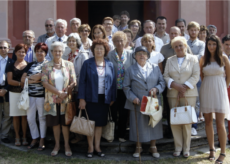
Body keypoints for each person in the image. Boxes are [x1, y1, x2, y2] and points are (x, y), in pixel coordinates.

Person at [123, 46, 165, 158]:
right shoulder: (130, 69)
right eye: (139, 53)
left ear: (147, 55)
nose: (142, 55)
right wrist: (132, 98)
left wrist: (156, 89)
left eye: (144, 53)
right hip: (138, 102)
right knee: (138, 125)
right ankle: (138, 147)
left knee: (153, 123)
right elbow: (126, 87)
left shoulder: (155, 68)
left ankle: (153, 146)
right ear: (135, 56)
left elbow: (162, 83)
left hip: (152, 100)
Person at [78, 39, 116, 158]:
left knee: (99, 124)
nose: (99, 50)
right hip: (90, 98)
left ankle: (97, 147)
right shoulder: (87, 63)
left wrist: (112, 98)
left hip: (104, 99)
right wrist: (81, 99)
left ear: (105, 50)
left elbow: (113, 82)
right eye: (96, 48)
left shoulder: (109, 64)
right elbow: (82, 82)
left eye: (101, 48)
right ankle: (90, 147)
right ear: (93, 50)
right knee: (90, 123)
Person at [163, 36, 200, 158]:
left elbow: (196, 75)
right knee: (175, 122)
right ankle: (178, 147)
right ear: (173, 48)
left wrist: (184, 87)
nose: (178, 48)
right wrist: (175, 85)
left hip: (189, 94)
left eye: (181, 45)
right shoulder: (169, 60)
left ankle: (186, 148)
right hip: (173, 94)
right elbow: (166, 75)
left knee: (187, 121)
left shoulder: (193, 59)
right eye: (176, 46)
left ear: (185, 46)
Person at [41, 42, 76, 157]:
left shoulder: (69, 64)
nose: (57, 53)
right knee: (55, 124)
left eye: (60, 51)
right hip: (52, 100)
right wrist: (59, 93)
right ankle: (57, 145)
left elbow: (73, 81)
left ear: (62, 52)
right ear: (51, 52)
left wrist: (64, 94)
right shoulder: (46, 66)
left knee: (65, 124)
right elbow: (44, 82)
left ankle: (66, 145)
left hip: (65, 100)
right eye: (55, 51)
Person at [199, 35, 230, 164]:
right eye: (209, 44)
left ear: (218, 45)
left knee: (220, 123)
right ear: (206, 45)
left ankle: (222, 152)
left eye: (214, 44)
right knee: (207, 122)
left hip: (220, 91)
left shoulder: (223, 58)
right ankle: (211, 149)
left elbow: (229, 76)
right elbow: (202, 76)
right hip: (206, 90)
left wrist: (223, 88)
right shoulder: (203, 58)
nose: (211, 46)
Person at [160, 26, 193, 139]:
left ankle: (184, 134)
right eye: (172, 33)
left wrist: (184, 86)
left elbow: (190, 63)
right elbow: (161, 65)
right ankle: (171, 131)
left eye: (176, 33)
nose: (173, 35)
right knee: (170, 109)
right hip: (169, 83)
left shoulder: (185, 46)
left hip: (184, 85)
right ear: (169, 34)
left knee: (183, 109)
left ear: (180, 34)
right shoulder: (164, 48)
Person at [107, 31, 135, 142]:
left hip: (126, 89)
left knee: (123, 112)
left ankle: (121, 135)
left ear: (126, 41)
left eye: (121, 40)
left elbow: (133, 70)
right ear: (113, 42)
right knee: (113, 112)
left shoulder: (130, 54)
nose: (119, 43)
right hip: (113, 89)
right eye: (117, 41)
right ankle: (111, 134)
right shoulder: (109, 55)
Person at [21, 43, 48, 150]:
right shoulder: (30, 64)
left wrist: (30, 78)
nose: (39, 53)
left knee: (42, 118)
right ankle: (35, 137)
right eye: (37, 51)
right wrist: (34, 78)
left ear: (45, 53)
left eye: (42, 51)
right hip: (30, 96)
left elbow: (42, 78)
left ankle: (42, 139)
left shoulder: (47, 64)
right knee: (30, 118)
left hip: (42, 96)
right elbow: (23, 79)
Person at [7, 43, 29, 146]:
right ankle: (17, 137)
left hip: (25, 94)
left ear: (26, 53)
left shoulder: (29, 65)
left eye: (23, 52)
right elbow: (10, 81)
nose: (21, 53)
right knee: (15, 116)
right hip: (13, 93)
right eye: (19, 51)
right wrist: (21, 83)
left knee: (24, 116)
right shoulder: (10, 65)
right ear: (15, 52)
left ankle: (24, 136)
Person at [187, 21, 205, 135]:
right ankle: (186, 122)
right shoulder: (185, 42)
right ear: (188, 31)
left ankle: (194, 125)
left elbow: (200, 56)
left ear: (198, 31)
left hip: (197, 75)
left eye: (195, 30)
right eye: (191, 30)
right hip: (185, 74)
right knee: (187, 100)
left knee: (196, 101)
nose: (193, 32)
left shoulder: (201, 44)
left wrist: (188, 57)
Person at [0, 41, 13, 143]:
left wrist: (6, 89)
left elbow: (14, 78)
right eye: (1, 47)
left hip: (8, 90)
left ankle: (4, 135)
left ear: (9, 49)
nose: (3, 49)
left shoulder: (12, 62)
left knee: (8, 114)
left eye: (5, 47)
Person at [222, 34, 230, 145]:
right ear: (223, 45)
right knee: (222, 115)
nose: (229, 47)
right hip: (221, 88)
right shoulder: (219, 57)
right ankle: (221, 139)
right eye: (227, 44)